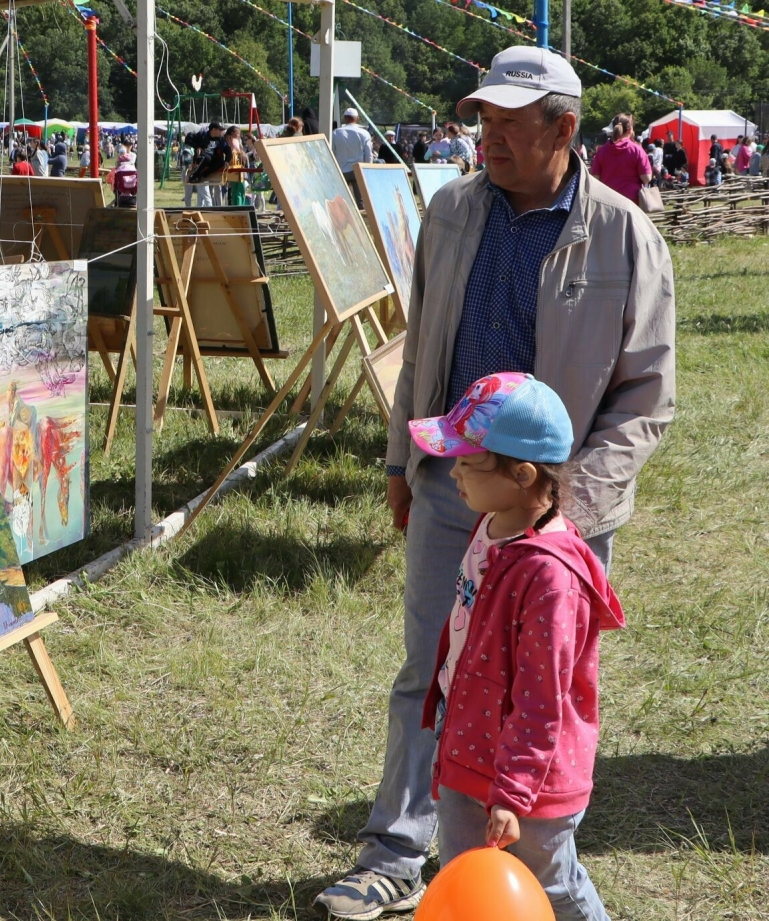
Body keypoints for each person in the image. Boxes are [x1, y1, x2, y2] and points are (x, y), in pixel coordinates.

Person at [314, 45, 674, 919]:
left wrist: (566, 509)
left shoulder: (625, 234)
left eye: (512, 125)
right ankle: (398, 849)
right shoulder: (450, 212)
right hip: (451, 487)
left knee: (534, 686)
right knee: (431, 669)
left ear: (565, 128)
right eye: (485, 122)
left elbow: (647, 396)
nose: (492, 140)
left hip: (561, 515)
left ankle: (537, 869)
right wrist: (403, 461)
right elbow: (421, 349)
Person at [409, 372, 622, 921]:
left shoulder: (551, 577)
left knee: (548, 887)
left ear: (523, 474)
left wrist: (513, 793)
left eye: (467, 461)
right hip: (467, 753)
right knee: (464, 875)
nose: (452, 470)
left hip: (530, 782)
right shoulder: (491, 526)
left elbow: (541, 699)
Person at [589, 113, 651, 207]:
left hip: (607, 202)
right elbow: (646, 178)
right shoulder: (637, 150)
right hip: (631, 203)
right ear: (630, 130)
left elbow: (595, 178)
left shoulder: (601, 151)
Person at [331, 107, 372, 205]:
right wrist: (367, 169)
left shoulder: (336, 132)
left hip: (341, 170)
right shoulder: (364, 133)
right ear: (357, 118)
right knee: (361, 202)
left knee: (340, 201)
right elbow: (369, 154)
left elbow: (332, 151)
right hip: (358, 170)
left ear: (345, 118)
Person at [187, 121, 229, 207]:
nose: (221, 132)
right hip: (201, 157)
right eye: (219, 130)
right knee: (207, 157)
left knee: (220, 161)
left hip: (212, 159)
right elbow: (188, 138)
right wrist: (197, 146)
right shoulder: (202, 135)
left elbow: (228, 150)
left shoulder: (220, 139)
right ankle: (194, 176)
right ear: (213, 130)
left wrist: (227, 160)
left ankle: (202, 175)